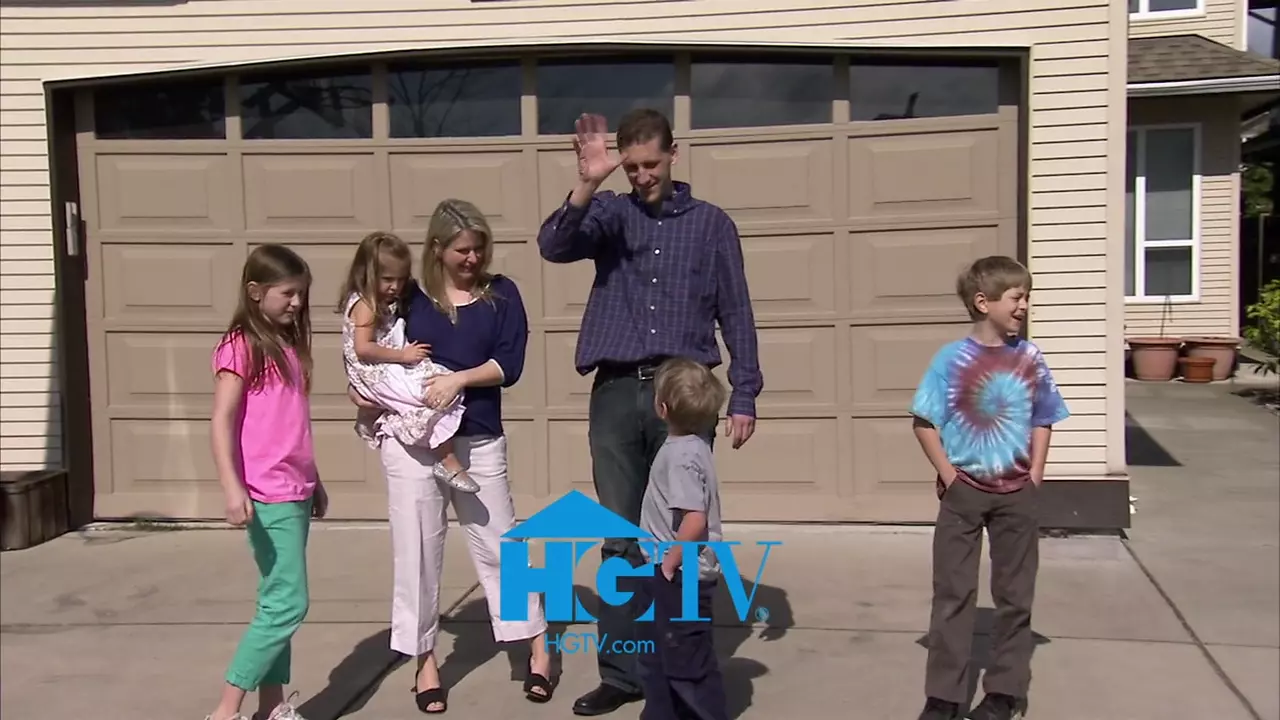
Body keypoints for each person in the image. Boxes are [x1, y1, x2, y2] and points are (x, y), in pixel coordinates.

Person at [536, 108, 764, 717]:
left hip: (684, 396)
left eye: (650, 164)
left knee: (680, 536)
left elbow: (736, 311)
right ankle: (623, 673)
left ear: (673, 154)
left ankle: (678, 675)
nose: (641, 176)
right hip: (616, 390)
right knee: (620, 538)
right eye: (631, 167)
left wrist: (744, 392)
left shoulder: (712, 225)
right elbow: (553, 245)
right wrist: (589, 182)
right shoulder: (611, 213)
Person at [346, 199, 552, 714]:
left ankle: (537, 646)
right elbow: (368, 350)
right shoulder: (409, 299)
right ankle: (425, 662)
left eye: (479, 248)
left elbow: (509, 364)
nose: (473, 258)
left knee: (502, 542)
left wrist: (457, 379)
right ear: (437, 249)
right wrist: (362, 393)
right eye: (463, 249)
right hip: (412, 443)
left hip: (478, 436)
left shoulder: (502, 294)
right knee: (416, 549)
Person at [908, 256, 1071, 720]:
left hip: (1017, 493)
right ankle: (944, 697)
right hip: (964, 493)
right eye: (1017, 297)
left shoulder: (1030, 358)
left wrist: (1035, 474)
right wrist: (949, 475)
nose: (1024, 306)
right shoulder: (950, 360)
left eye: (1027, 297)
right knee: (952, 595)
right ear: (984, 302)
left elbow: (1043, 418)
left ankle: (1003, 692)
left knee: (1015, 597)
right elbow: (924, 422)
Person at [205, 244, 329, 720]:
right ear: (255, 292)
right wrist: (231, 487)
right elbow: (222, 419)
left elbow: (291, 424)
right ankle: (226, 709)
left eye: (301, 293)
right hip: (265, 492)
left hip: (294, 488)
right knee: (289, 602)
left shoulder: (287, 345)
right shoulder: (242, 345)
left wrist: (314, 479)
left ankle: (272, 706)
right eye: (287, 293)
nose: (297, 302)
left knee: (276, 597)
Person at [338, 230, 478, 494]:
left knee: (439, 383)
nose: (396, 287)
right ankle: (447, 461)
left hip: (386, 365)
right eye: (388, 279)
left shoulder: (382, 300)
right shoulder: (365, 304)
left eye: (401, 279)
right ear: (367, 274)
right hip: (376, 370)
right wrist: (402, 356)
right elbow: (363, 349)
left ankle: (444, 458)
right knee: (426, 398)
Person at [635, 357, 730, 720]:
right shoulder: (695, 446)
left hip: (678, 575)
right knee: (657, 654)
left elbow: (694, 518)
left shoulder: (680, 457)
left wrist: (669, 563)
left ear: (662, 408)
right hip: (671, 572)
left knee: (686, 661)